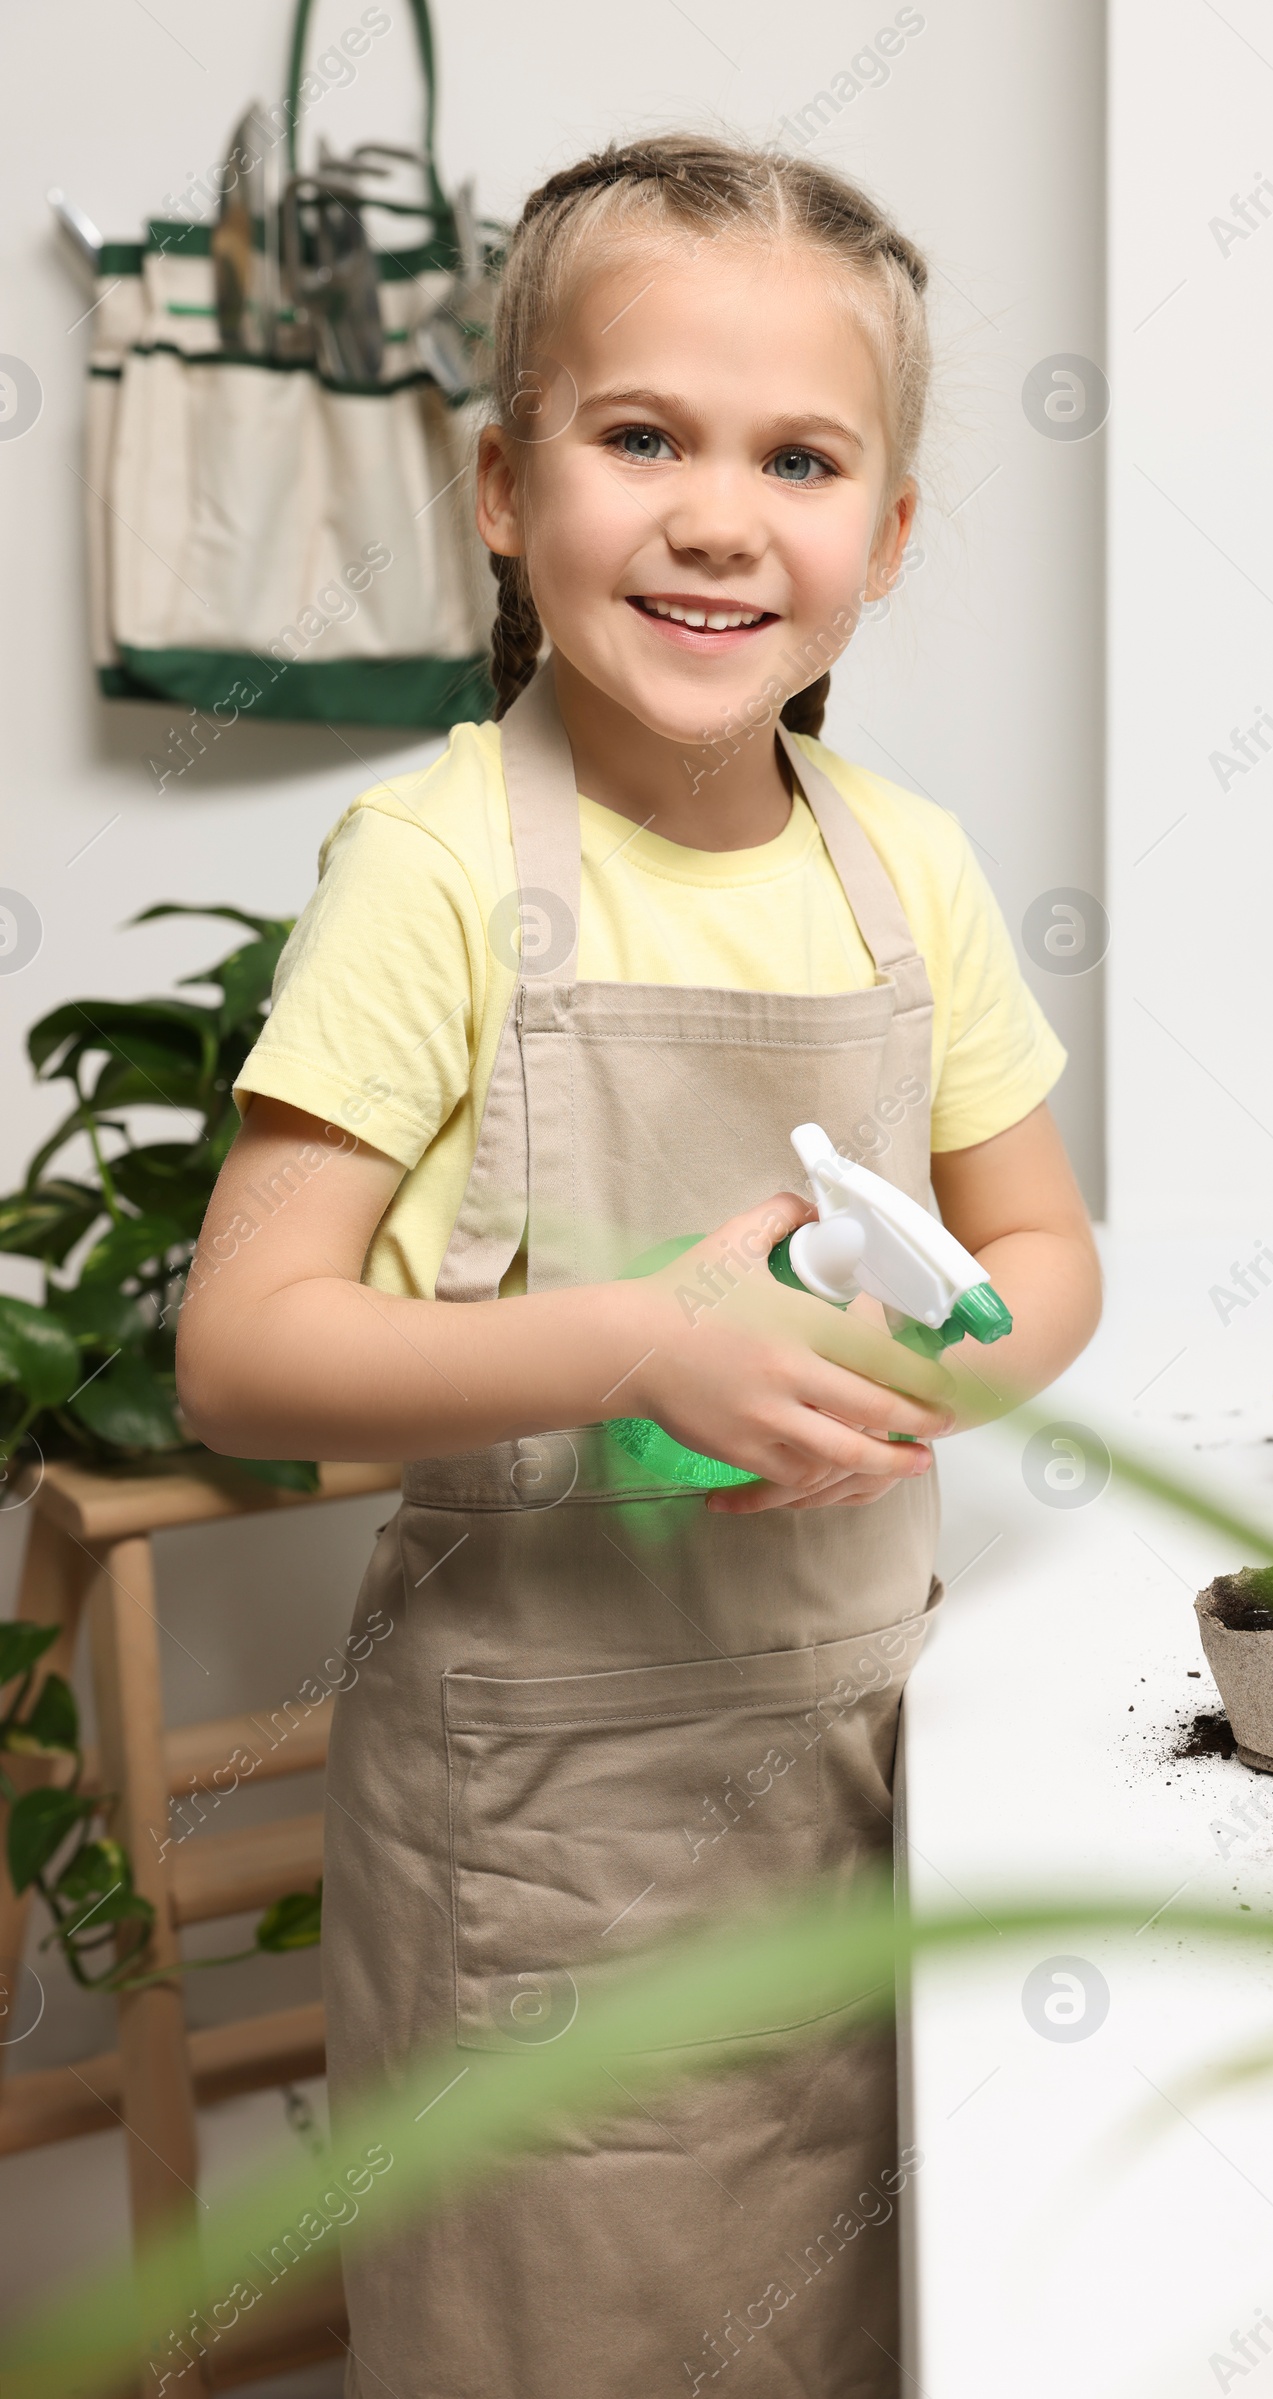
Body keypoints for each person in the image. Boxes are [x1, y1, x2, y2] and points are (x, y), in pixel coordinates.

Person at [178, 132, 1102, 2399]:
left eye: (796, 457)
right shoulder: (426, 871)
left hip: (878, 1776)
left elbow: (1044, 1254)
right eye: (639, 437)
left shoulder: (908, 868)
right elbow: (239, 1352)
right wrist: (639, 1341)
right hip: (545, 1845)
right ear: (504, 489)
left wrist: (910, 1382)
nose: (716, 516)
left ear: (878, 539)